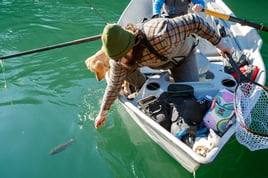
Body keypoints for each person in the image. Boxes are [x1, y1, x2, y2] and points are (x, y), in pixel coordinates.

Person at [93, 13, 232, 129]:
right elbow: (114, 85)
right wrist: (102, 112)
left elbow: (195, 21)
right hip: (155, 63)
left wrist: (219, 44)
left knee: (188, 95)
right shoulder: (118, 60)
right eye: (116, 59)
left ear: (132, 45)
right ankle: (144, 86)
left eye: (122, 56)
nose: (120, 61)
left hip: (181, 57)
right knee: (119, 71)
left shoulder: (162, 33)